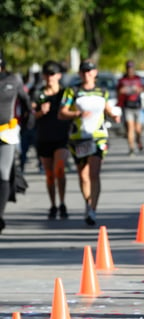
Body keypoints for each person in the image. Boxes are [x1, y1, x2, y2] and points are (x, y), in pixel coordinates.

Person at [59, 59, 121, 226]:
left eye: (90, 71)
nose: (87, 74)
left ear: (95, 73)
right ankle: (87, 203)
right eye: (84, 71)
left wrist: (114, 115)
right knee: (83, 175)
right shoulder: (73, 91)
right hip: (79, 137)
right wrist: (77, 114)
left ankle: (93, 209)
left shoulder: (102, 92)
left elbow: (107, 109)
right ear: (80, 74)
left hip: (98, 136)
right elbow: (62, 113)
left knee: (94, 173)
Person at [0, 53, 33, 234]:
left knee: (3, 172)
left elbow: (25, 100)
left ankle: (0, 215)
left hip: (6, 132)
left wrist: (29, 119)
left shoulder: (13, 80)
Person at [34, 60, 71, 219]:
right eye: (47, 74)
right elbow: (31, 115)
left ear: (59, 75)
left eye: (53, 74)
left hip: (61, 138)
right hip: (44, 138)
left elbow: (73, 110)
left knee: (60, 169)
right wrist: (41, 112)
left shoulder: (65, 94)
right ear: (43, 76)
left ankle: (62, 202)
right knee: (49, 174)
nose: (50, 77)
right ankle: (53, 205)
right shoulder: (38, 94)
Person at [116, 60, 144, 155]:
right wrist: (121, 91)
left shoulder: (138, 78)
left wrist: (138, 89)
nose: (130, 70)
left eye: (131, 68)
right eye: (128, 68)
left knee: (138, 129)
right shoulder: (122, 80)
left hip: (137, 106)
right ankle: (131, 148)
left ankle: (139, 141)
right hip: (127, 106)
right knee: (130, 128)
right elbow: (118, 92)